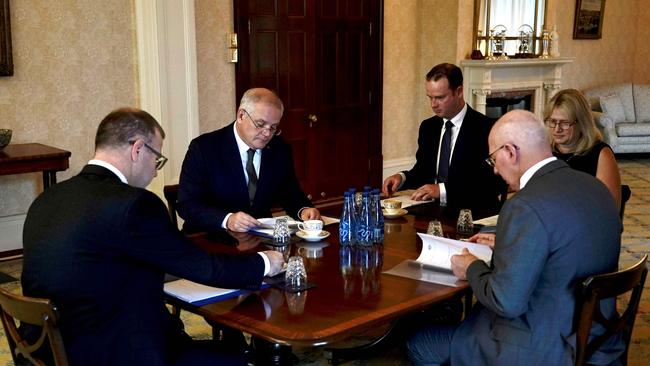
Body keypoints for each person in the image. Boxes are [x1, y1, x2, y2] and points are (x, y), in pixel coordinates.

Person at [21, 107, 285, 365]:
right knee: (237, 360)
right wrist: (264, 262)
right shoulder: (133, 204)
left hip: (47, 349)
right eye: (157, 159)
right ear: (137, 149)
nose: (156, 171)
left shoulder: (48, 198)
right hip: (115, 351)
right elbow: (199, 265)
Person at [407, 110, 624, 365]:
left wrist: (472, 267)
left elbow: (505, 301)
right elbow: (568, 246)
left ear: (511, 151)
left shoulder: (524, 205)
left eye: (493, 160)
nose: (496, 171)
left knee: (420, 343)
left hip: (543, 347)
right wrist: (509, 244)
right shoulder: (595, 186)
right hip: (598, 336)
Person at [178, 87, 320, 234]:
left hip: (260, 238)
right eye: (260, 124)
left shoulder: (279, 149)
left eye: (273, 127)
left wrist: (304, 210)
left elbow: (290, 193)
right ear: (241, 115)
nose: (267, 133)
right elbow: (187, 204)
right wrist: (228, 219)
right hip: (210, 237)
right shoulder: (204, 148)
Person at [382, 63, 504, 215]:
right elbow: (423, 171)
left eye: (440, 97)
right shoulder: (429, 127)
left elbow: (491, 183)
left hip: (472, 215)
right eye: (430, 97)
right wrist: (402, 178)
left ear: (458, 91)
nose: (433, 104)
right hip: (431, 212)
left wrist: (442, 190)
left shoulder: (487, 129)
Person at [545, 88, 622, 208]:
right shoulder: (544, 151)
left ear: (581, 123)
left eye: (565, 123)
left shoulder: (601, 154)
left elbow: (610, 208)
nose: (557, 129)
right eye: (553, 121)